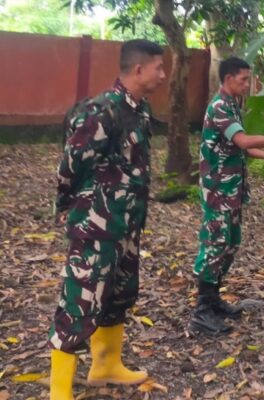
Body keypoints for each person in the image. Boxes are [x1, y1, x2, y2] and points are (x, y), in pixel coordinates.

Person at [49, 39, 166, 399]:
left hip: (127, 223)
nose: (163, 75)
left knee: (119, 294)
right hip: (96, 225)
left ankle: (105, 366)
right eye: (159, 68)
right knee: (80, 302)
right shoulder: (101, 111)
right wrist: (75, 207)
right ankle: (59, 391)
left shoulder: (140, 110)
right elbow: (71, 165)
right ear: (138, 70)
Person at [189, 56, 264, 335]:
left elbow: (239, 147)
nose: (248, 84)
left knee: (230, 243)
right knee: (215, 244)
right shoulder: (219, 107)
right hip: (218, 189)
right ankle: (201, 312)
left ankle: (213, 301)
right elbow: (242, 140)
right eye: (243, 79)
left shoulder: (232, 105)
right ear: (228, 79)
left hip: (232, 189)